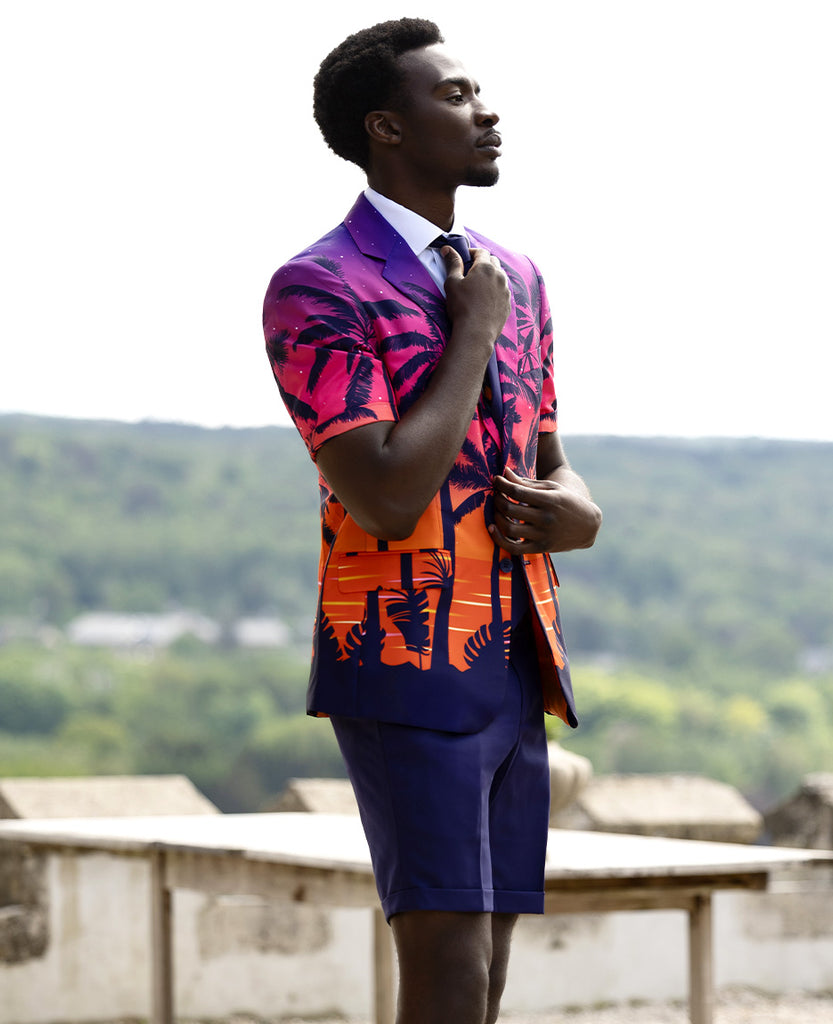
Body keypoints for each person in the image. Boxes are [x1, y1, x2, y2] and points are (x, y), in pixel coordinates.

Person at [263, 18, 601, 1024]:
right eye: (454, 95)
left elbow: (553, 462)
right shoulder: (320, 285)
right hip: (403, 664)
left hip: (514, 659)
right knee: (446, 968)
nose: (485, 109)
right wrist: (473, 335)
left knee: (488, 970)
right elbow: (383, 490)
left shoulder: (514, 274)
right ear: (386, 128)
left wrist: (574, 513)